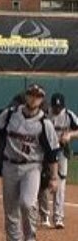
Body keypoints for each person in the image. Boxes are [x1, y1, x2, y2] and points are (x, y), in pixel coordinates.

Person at [0, 83, 59, 241]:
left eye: (37, 96)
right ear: (26, 96)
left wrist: (54, 177)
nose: (33, 98)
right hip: (9, 166)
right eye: (31, 94)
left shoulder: (44, 123)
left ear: (42, 99)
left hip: (32, 167)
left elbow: (53, 152)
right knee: (10, 209)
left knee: (27, 203)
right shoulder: (9, 114)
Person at [40, 92, 78, 228]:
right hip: (46, 152)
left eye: (59, 107)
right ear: (51, 105)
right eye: (55, 107)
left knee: (60, 184)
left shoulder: (68, 115)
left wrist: (70, 134)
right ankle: (44, 216)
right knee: (43, 181)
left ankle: (58, 218)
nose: (57, 110)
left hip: (61, 151)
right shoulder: (44, 113)